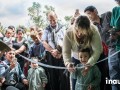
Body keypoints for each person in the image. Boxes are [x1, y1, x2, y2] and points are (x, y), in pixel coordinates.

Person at [84, 6, 112, 90]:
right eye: (86, 15)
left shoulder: (107, 15)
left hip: (116, 48)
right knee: (106, 74)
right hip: (104, 53)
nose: (88, 16)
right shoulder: (92, 27)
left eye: (89, 13)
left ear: (95, 11)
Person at [42, 11, 70, 90]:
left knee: (64, 76)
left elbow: (67, 40)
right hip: (51, 55)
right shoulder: (47, 29)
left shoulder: (63, 27)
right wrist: (52, 51)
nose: (52, 22)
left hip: (62, 54)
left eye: (53, 20)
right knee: (53, 77)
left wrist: (59, 52)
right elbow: (44, 42)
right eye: (50, 20)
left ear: (56, 17)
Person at [108, 0, 120, 90]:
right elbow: (113, 27)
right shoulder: (115, 10)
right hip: (115, 48)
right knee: (114, 78)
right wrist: (113, 33)